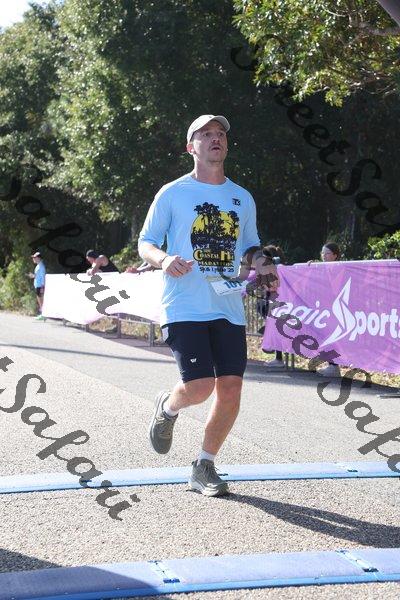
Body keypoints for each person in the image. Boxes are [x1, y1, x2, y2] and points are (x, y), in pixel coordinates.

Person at [138, 114, 279, 497]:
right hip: (184, 304)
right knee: (199, 387)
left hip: (227, 304)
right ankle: (168, 407)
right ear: (191, 147)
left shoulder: (241, 197)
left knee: (230, 388)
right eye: (206, 134)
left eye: (220, 134)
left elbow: (250, 246)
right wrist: (165, 259)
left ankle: (204, 465)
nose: (216, 139)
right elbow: (145, 242)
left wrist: (262, 262)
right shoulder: (173, 193)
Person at [312, 242, 342, 377]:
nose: (324, 256)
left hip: (336, 309)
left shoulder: (341, 268)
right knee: (325, 335)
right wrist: (310, 266)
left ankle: (334, 366)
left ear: (335, 255)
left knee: (333, 337)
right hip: (323, 308)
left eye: (327, 253)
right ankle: (331, 364)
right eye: (322, 253)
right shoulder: (320, 267)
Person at [257, 245, 286, 368]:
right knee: (261, 306)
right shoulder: (268, 269)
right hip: (271, 303)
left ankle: (279, 359)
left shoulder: (282, 269)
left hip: (281, 305)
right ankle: (277, 357)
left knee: (276, 328)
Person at [28, 251, 46, 320]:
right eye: (33, 257)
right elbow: (38, 276)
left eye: (35, 257)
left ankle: (43, 315)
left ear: (38, 258)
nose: (33, 259)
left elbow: (43, 277)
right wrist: (33, 276)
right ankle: (43, 314)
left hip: (40, 286)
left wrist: (42, 287)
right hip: (38, 286)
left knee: (41, 300)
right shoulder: (38, 266)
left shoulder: (41, 266)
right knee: (40, 300)